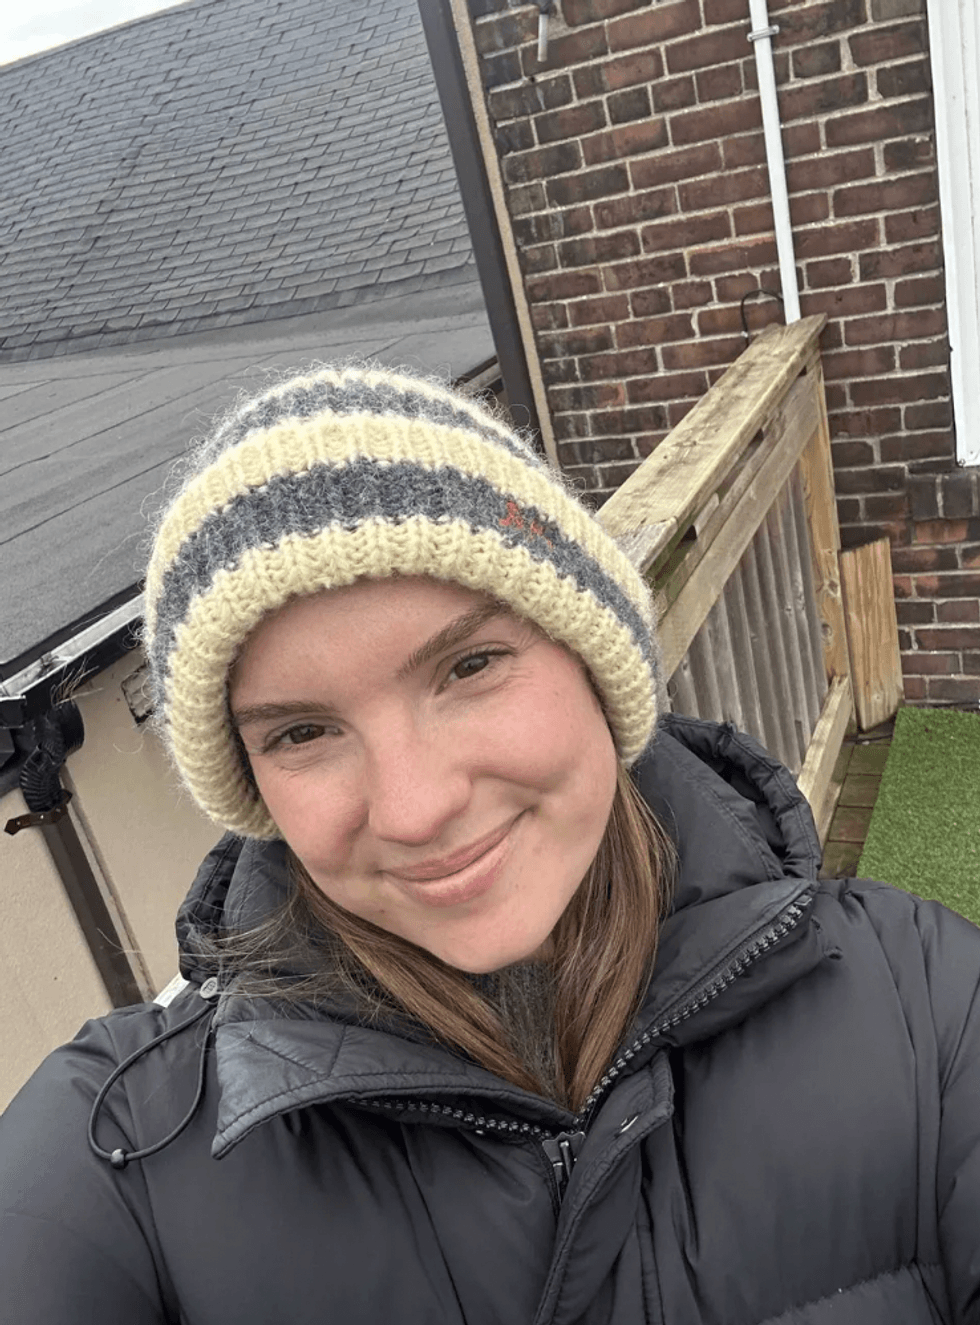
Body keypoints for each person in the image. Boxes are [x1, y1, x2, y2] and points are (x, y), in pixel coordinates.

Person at [2, 363, 979, 1325]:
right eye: (301, 732)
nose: (416, 806)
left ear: (594, 660)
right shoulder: (119, 1146)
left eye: (469, 665)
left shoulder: (923, 1004)